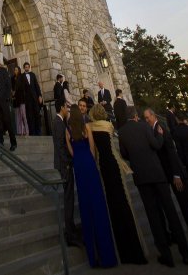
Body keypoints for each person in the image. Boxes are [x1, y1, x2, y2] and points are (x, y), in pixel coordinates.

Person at [118, 107, 188, 267]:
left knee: (153, 216)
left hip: (141, 177)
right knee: (170, 212)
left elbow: (124, 154)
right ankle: (185, 253)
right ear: (136, 116)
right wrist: (159, 135)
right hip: (157, 174)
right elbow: (157, 145)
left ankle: (166, 255)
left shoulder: (122, 132)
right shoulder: (145, 126)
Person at [143, 107, 188, 263]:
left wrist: (176, 174)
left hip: (176, 176)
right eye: (145, 118)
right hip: (168, 176)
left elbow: (171, 152)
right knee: (184, 211)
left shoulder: (161, 128)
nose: (146, 120)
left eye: (147, 117)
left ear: (153, 116)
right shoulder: (154, 130)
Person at [89, 103, 147, 265]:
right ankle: (135, 249)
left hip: (104, 166)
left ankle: (122, 250)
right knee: (124, 203)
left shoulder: (91, 127)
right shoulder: (109, 126)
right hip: (114, 164)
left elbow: (93, 151)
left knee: (112, 205)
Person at [67, 103, 117, 268]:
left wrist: (78, 159)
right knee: (98, 205)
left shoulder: (68, 131)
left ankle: (93, 256)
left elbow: (71, 152)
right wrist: (91, 161)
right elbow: (92, 149)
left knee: (85, 207)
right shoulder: (87, 127)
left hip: (79, 167)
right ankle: (106, 255)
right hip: (89, 164)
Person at [52, 101, 82, 248]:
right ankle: (69, 233)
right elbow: (60, 145)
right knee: (69, 197)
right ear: (61, 108)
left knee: (69, 196)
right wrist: (68, 162)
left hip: (65, 163)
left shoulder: (59, 122)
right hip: (65, 165)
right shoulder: (58, 123)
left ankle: (71, 229)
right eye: (66, 108)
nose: (67, 110)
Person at [22, 61, 43, 135]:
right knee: (30, 116)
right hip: (27, 100)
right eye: (26, 67)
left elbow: (36, 85)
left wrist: (39, 95)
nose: (27, 68)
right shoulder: (22, 76)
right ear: (24, 68)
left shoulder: (32, 74)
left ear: (29, 67)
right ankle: (32, 133)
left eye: (28, 67)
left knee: (37, 114)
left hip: (35, 98)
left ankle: (39, 132)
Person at [12, 66, 29, 136]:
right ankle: (20, 132)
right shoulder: (12, 78)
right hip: (15, 99)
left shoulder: (22, 76)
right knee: (18, 116)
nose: (15, 71)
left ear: (19, 70)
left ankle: (26, 131)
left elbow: (25, 86)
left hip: (21, 98)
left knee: (23, 115)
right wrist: (12, 92)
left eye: (17, 70)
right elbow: (11, 87)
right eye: (15, 70)